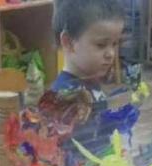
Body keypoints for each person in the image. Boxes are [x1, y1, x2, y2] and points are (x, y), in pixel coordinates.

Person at [51, 0, 125, 155]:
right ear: (68, 43)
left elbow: (100, 137)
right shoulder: (63, 99)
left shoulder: (91, 83)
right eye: (101, 45)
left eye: (114, 44)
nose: (111, 54)